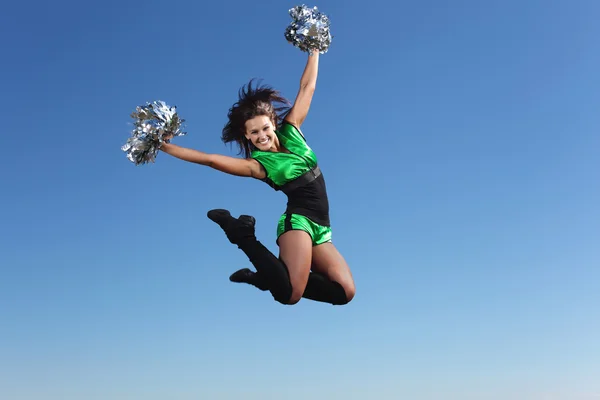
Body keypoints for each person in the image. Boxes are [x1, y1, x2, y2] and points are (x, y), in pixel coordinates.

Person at [160, 51, 355, 306]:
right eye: (254, 133)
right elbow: (210, 159)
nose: (261, 135)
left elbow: (308, 87)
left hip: (322, 226)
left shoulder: (293, 130)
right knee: (289, 295)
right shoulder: (258, 164)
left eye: (264, 128)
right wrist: (165, 147)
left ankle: (265, 278)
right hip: (299, 222)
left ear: (273, 122)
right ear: (247, 136)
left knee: (344, 292)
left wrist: (314, 50)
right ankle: (242, 234)